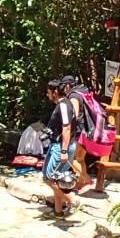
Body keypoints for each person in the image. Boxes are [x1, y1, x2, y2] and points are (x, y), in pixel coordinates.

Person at [42, 78, 79, 219]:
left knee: (50, 179)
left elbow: (67, 128)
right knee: (53, 178)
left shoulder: (64, 105)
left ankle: (72, 201)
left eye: (48, 92)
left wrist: (63, 151)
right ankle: (58, 212)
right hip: (57, 145)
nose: (47, 95)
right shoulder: (62, 104)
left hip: (61, 147)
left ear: (55, 92)